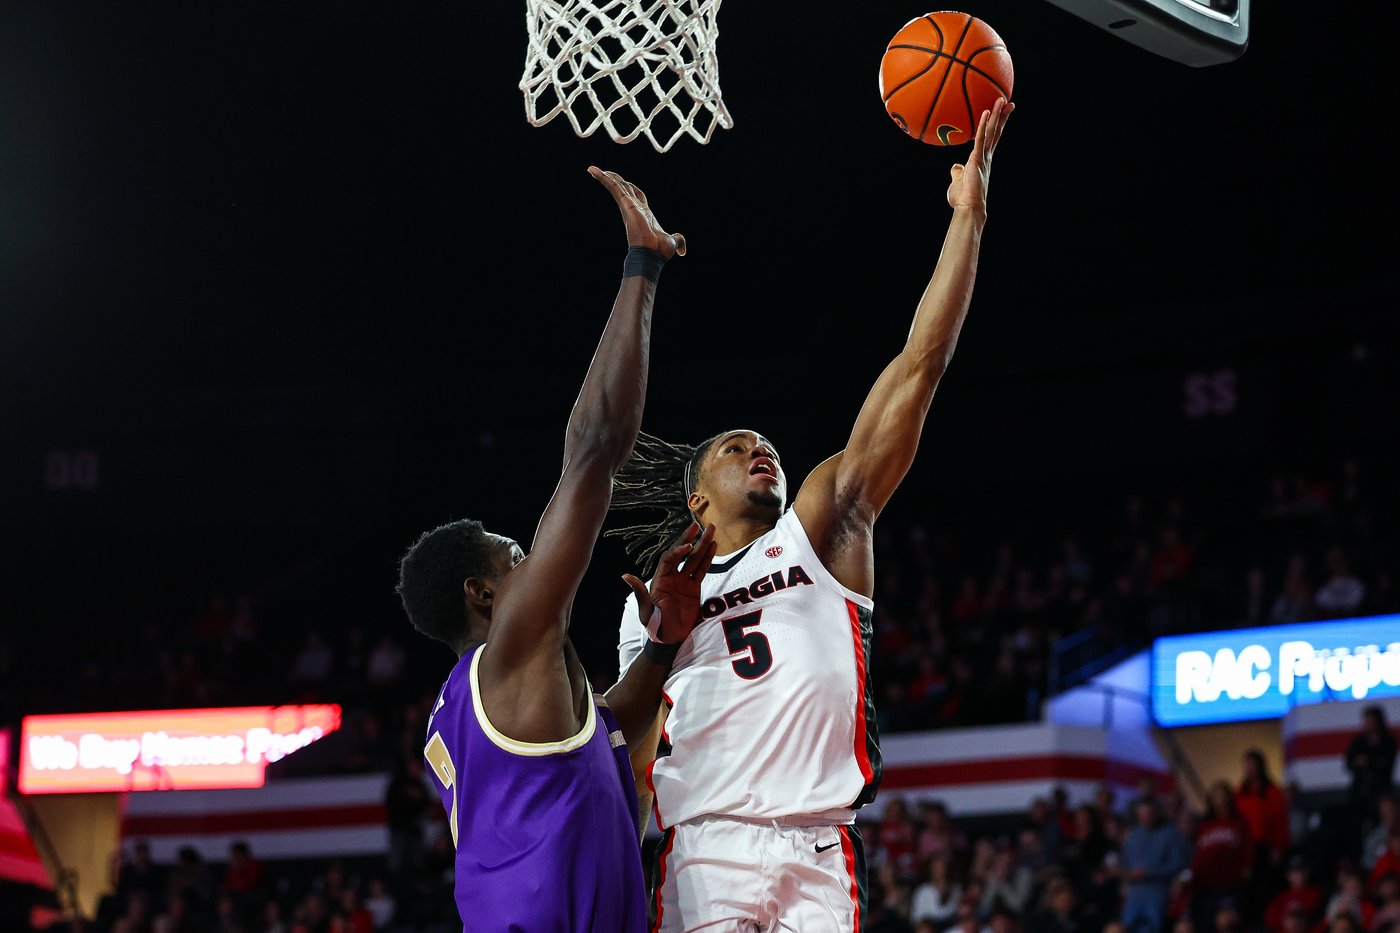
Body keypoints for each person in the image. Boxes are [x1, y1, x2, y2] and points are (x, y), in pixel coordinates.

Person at [607, 97, 1015, 930]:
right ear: (696, 500)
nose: (760, 451)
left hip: (821, 848)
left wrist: (967, 217)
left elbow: (920, 366)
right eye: (734, 447)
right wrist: (661, 640)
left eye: (766, 445)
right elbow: (630, 750)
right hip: (703, 851)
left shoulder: (822, 527)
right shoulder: (650, 599)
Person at [393, 167, 715, 932]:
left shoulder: (499, 703)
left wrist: (663, 644)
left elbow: (607, 731)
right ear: (482, 594)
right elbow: (595, 449)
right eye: (513, 554)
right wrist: (642, 266)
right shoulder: (509, 649)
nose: (531, 561)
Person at [1187, 780, 1255, 933]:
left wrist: (1247, 866)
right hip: (1206, 885)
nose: (1220, 799)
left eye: (1223, 795)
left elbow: (1248, 847)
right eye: (1216, 796)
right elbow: (1198, 855)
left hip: (1230, 883)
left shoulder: (1238, 822)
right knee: (1203, 922)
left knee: (1225, 922)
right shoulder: (1205, 825)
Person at [1119, 795, 1192, 933]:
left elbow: (1178, 864)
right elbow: (1126, 862)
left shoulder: (1171, 834)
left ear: (1156, 812)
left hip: (1157, 893)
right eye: (1142, 813)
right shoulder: (1133, 835)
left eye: (1149, 813)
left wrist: (1149, 872)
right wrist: (1125, 875)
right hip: (1134, 894)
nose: (1145, 817)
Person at [1347, 705, 1398, 851]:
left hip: (1381, 790)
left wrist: (1366, 761)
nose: (1368, 724)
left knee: (1380, 824)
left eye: (1371, 720)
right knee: (1352, 822)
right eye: (1366, 721)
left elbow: (1384, 763)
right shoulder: (1358, 741)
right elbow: (1349, 763)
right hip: (1359, 792)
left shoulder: (1388, 741)